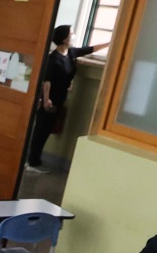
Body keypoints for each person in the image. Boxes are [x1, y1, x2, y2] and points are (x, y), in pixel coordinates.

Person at [27, 25, 105, 171]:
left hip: (60, 97)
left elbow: (89, 49)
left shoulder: (70, 53)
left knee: (47, 129)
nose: (73, 35)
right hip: (49, 99)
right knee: (41, 130)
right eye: (71, 34)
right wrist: (46, 99)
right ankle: (32, 162)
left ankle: (33, 159)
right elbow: (47, 81)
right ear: (64, 39)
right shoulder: (53, 59)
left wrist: (109, 44)